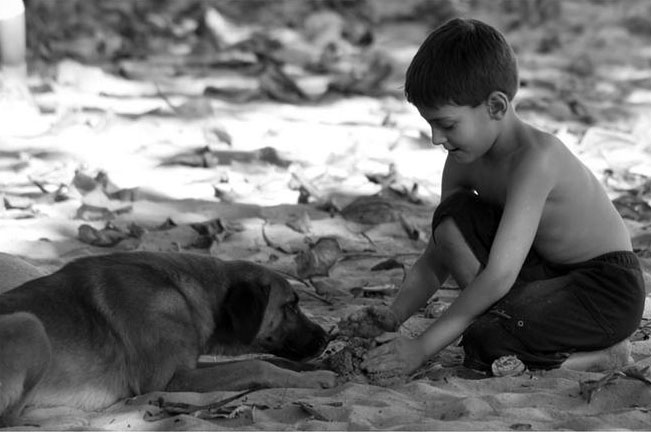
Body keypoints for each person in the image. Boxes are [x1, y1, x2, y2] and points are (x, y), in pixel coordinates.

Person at [346, 17, 645, 377]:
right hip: (545, 274)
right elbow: (436, 257)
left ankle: (599, 357)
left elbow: (500, 276)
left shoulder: (536, 160)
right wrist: (393, 318)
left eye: (447, 124)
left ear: (496, 107)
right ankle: (515, 324)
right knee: (451, 218)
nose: (436, 138)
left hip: (604, 290)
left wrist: (421, 348)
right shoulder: (463, 158)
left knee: (485, 341)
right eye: (430, 125)